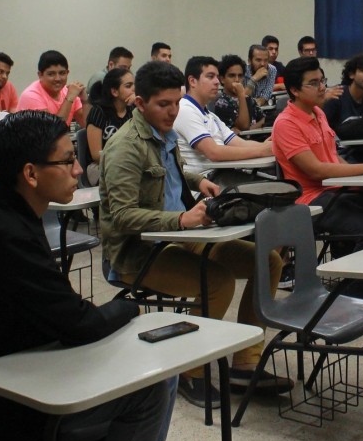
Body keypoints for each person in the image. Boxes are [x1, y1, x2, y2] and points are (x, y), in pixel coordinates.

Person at [0, 110, 173, 441]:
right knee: (153, 385)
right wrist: (130, 307)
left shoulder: (10, 213)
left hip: (27, 368)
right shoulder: (8, 234)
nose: (79, 169)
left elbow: (62, 313)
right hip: (5, 402)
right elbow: (78, 323)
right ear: (31, 174)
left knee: (140, 370)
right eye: (67, 160)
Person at [99, 61, 291, 408]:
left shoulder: (163, 131)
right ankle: (191, 371)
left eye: (176, 103)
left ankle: (245, 365)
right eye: (163, 104)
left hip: (181, 238)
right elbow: (124, 217)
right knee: (218, 282)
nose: (173, 112)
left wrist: (196, 181)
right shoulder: (125, 147)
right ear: (139, 103)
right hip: (141, 252)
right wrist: (182, 221)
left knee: (269, 261)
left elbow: (172, 170)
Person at [271, 55, 363, 301]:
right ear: (294, 90)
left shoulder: (319, 113)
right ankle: (353, 291)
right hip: (311, 199)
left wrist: (361, 178)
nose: (322, 87)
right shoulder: (285, 124)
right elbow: (316, 170)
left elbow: (334, 157)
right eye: (313, 83)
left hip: (337, 189)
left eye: (322, 80)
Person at [174, 56, 274, 184]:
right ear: (192, 81)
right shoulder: (185, 110)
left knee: (272, 186)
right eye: (210, 77)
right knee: (268, 189)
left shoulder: (210, 115)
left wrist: (268, 146)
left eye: (217, 77)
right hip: (203, 183)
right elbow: (214, 153)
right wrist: (261, 150)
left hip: (222, 174)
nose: (216, 82)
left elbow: (238, 143)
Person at [85, 67, 134, 185]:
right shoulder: (99, 112)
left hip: (129, 163)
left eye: (134, 85)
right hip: (100, 166)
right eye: (128, 86)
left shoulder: (133, 111)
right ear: (114, 91)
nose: (134, 90)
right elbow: (96, 155)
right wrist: (125, 160)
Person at [19, 50, 85, 127]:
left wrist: (85, 100)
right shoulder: (30, 96)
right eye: (51, 74)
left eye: (62, 73)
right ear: (40, 75)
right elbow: (52, 131)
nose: (58, 79)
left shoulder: (69, 92)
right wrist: (69, 98)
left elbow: (86, 124)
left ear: (67, 73)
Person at [213, 54, 264, 132]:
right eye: (232, 76)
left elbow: (263, 120)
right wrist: (241, 95)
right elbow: (243, 126)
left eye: (240, 76)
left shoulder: (249, 99)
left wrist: (251, 129)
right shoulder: (221, 103)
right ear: (222, 79)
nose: (237, 80)